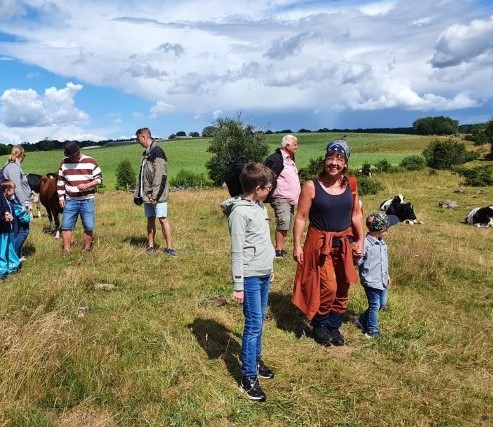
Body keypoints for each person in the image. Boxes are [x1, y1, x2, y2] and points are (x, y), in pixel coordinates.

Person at [292, 140, 364, 347]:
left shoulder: (351, 184)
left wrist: (361, 240)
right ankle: (320, 323)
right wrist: (297, 245)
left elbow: (356, 213)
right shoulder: (311, 186)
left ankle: (334, 325)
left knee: (343, 286)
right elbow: (301, 217)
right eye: (330, 158)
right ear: (324, 160)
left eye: (339, 159)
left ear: (345, 163)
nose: (334, 162)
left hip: (345, 243)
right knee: (328, 287)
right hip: (320, 244)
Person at [220, 162, 276, 402]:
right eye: (269, 187)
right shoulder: (240, 213)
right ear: (257, 187)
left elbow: (264, 241)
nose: (271, 190)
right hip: (250, 277)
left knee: (260, 319)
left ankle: (255, 360)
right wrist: (238, 285)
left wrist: (270, 268)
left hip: (263, 273)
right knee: (253, 325)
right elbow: (237, 252)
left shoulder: (260, 207)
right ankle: (247, 378)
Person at [355, 212, 399, 338]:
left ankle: (362, 319)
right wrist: (357, 256)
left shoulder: (382, 243)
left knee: (382, 304)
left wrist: (387, 275)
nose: (388, 232)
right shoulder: (365, 244)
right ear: (380, 230)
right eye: (387, 229)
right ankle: (372, 331)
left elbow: (383, 262)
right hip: (371, 281)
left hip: (382, 280)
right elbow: (358, 262)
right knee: (374, 305)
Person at [134, 127, 176, 256]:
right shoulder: (146, 153)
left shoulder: (157, 152)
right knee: (150, 219)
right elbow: (142, 176)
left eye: (137, 139)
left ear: (143, 137)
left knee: (163, 219)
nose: (137, 142)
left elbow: (160, 176)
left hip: (158, 196)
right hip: (147, 195)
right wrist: (138, 194)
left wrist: (155, 196)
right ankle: (150, 246)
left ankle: (169, 248)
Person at [57, 141, 102, 254]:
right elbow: (60, 181)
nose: (71, 158)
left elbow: (99, 179)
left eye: (72, 155)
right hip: (70, 200)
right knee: (66, 225)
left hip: (87, 200)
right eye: (69, 156)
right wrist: (61, 197)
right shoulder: (64, 163)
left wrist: (87, 185)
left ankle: (87, 249)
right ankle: (66, 250)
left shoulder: (90, 161)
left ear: (78, 152)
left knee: (88, 225)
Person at [264, 134, 301, 258]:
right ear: (287, 145)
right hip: (280, 197)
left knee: (287, 224)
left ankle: (280, 249)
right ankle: (278, 251)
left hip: (290, 199)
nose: (297, 147)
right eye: (295, 144)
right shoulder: (276, 158)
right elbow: (265, 174)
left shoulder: (290, 159)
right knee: (283, 222)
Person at [2, 145, 31, 259]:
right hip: (18, 203)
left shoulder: (10, 165)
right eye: (24, 155)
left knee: (17, 230)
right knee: (23, 230)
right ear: (21, 155)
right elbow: (16, 187)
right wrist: (23, 204)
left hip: (17, 202)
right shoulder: (13, 167)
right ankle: (13, 256)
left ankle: (16, 255)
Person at [0, 180, 21, 279]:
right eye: (13, 189)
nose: (14, 191)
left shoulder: (8, 201)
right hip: (3, 230)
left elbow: (7, 210)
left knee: (10, 250)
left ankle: (12, 267)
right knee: (3, 251)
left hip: (9, 230)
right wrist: (4, 218)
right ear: (7, 190)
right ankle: (2, 272)